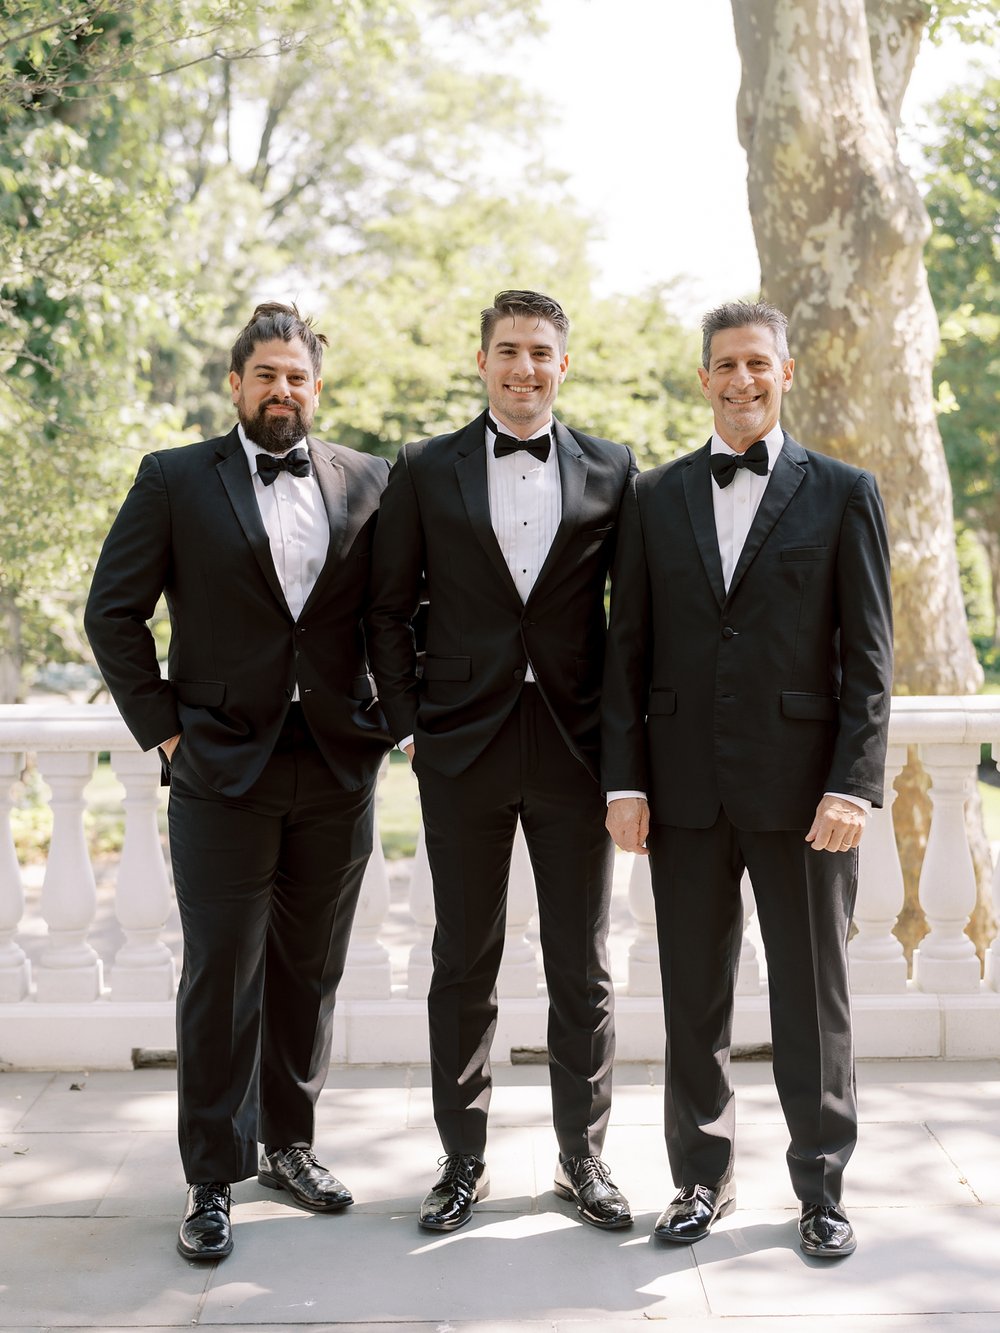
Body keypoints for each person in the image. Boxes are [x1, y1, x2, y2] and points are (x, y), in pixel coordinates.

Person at [85, 302, 393, 1261]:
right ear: (235, 383)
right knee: (221, 973)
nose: (282, 390)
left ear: (316, 384)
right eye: (265, 375)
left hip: (336, 763)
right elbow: (113, 613)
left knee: (311, 967)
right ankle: (210, 1176)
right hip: (218, 766)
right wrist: (167, 734)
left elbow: (401, 613)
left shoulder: (370, 480)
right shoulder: (175, 479)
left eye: (297, 376)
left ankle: (291, 1144)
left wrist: (389, 722)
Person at [602, 300, 892, 1259]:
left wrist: (853, 783)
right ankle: (699, 1177)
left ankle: (821, 1186)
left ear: (786, 372)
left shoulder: (844, 491)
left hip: (808, 795)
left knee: (813, 995)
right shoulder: (652, 495)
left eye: (757, 364)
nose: (741, 380)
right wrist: (625, 780)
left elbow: (870, 657)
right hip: (681, 793)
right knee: (693, 993)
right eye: (724, 364)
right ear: (703, 378)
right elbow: (627, 651)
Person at [367, 289, 636, 1232]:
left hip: (574, 749)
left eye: (541, 352)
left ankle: (583, 1158)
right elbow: (385, 607)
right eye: (509, 350)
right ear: (481, 360)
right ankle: (462, 1159)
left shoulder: (613, 468)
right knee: (462, 960)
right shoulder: (424, 467)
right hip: (461, 750)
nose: (525, 367)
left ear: (566, 363)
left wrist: (625, 753)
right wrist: (409, 724)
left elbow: (631, 624)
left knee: (582, 963)